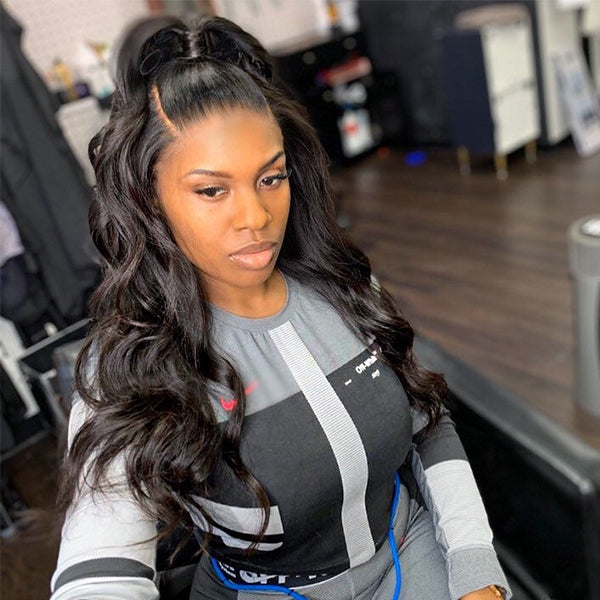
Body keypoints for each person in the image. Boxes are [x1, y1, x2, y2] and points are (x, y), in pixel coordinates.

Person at [49, 15, 511, 600]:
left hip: (407, 552)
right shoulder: (127, 368)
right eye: (212, 190)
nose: (256, 217)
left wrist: (475, 567)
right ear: (148, 198)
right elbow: (98, 564)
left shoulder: (344, 285)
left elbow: (428, 423)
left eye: (271, 178)